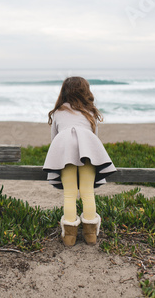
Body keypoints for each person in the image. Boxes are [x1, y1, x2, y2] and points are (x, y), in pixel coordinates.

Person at [43, 77, 116, 247]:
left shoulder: (58, 112)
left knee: (70, 193)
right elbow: (94, 137)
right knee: (87, 191)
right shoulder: (90, 112)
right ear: (86, 91)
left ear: (64, 92)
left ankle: (69, 237)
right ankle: (90, 235)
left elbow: (55, 139)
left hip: (64, 151)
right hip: (88, 150)